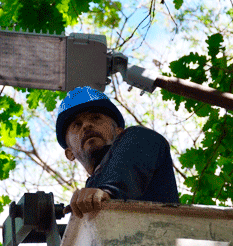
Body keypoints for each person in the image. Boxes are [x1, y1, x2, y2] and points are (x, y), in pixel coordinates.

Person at [57, 86, 180, 218]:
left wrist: (108, 191)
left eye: (95, 118)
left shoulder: (139, 138)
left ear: (119, 132)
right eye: (77, 124)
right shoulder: (88, 193)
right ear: (69, 153)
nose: (86, 125)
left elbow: (143, 139)